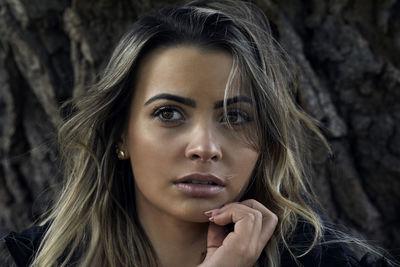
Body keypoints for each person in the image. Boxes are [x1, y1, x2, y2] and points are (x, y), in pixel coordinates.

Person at [0, 0, 396, 266]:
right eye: (169, 113)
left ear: (265, 143)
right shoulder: (30, 259)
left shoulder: (328, 261)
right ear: (120, 134)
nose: (204, 148)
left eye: (236, 118)